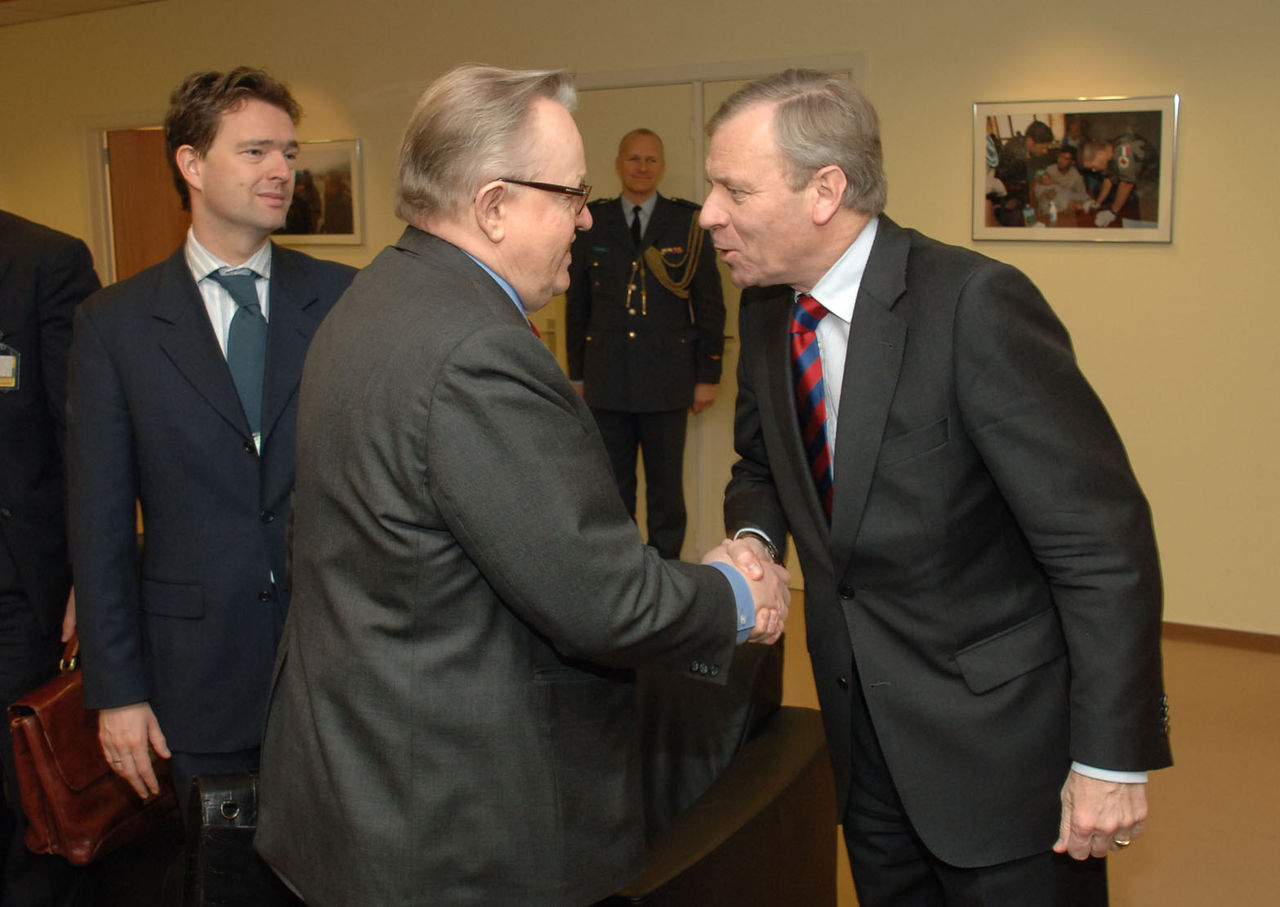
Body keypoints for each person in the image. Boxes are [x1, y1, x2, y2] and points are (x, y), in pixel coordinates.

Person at [254, 63, 790, 907]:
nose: (587, 217)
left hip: (361, 778)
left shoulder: (377, 294)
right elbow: (603, 599)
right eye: (571, 193)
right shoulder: (476, 350)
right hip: (448, 822)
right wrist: (734, 593)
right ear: (494, 205)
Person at [704, 70, 1171, 906]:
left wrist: (1110, 756)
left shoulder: (973, 305)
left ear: (826, 191)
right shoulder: (769, 309)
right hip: (862, 741)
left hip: (1000, 753)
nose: (708, 213)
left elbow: (1100, 542)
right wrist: (754, 541)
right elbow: (763, 466)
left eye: (734, 190)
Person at [66, 67, 355, 805]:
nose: (282, 170)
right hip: (194, 675)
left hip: (337, 667)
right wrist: (117, 691)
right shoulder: (115, 325)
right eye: (256, 151)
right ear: (191, 164)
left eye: (288, 152)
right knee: (220, 863)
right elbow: (99, 527)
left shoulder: (340, 300)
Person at [0, 210, 100, 906]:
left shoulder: (43, 261)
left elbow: (85, 438)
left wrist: (91, 579)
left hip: (17, 589)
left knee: (28, 799)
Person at [566, 128, 725, 559]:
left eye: (651, 159)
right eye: (634, 158)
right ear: (619, 164)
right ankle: (623, 571)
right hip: (606, 380)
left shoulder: (687, 223)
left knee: (666, 490)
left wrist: (707, 375)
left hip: (668, 379)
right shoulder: (593, 222)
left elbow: (709, 305)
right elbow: (577, 306)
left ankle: (667, 571)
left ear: (662, 166)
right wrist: (576, 374)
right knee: (612, 488)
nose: (642, 167)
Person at [989, 119, 1056, 225]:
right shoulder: (1012, 155)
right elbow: (1001, 183)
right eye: (1043, 147)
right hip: (1007, 205)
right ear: (1030, 141)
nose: (1045, 151)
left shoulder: (1028, 150)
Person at [1080, 135, 1156, 227]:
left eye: (1093, 166)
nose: (1094, 170)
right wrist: (1097, 202)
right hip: (1142, 187)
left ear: (1100, 154)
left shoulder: (1125, 151)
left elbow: (1126, 184)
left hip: (1155, 189)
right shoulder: (1110, 152)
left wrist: (1112, 212)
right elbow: (1109, 178)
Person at [1034, 146, 1090, 220]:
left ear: (1072, 162)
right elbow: (1038, 188)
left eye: (1066, 159)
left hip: (1068, 205)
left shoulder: (1075, 175)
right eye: (1060, 157)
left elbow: (1082, 192)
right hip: (1050, 206)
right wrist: (1044, 194)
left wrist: (1074, 202)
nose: (1061, 160)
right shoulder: (1050, 170)